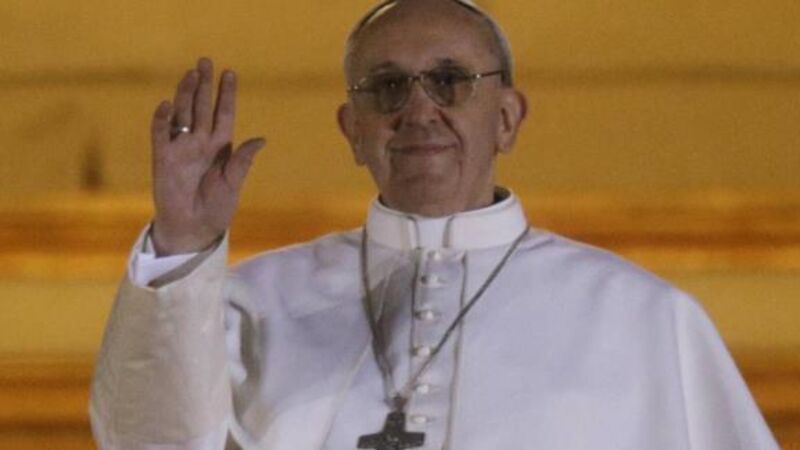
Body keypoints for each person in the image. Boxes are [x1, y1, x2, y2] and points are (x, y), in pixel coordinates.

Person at [89, 0, 779, 448]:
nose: (418, 111)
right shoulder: (252, 304)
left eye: (451, 81)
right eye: (387, 87)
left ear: (506, 117)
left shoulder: (643, 319)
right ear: (352, 131)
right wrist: (182, 244)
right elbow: (145, 443)